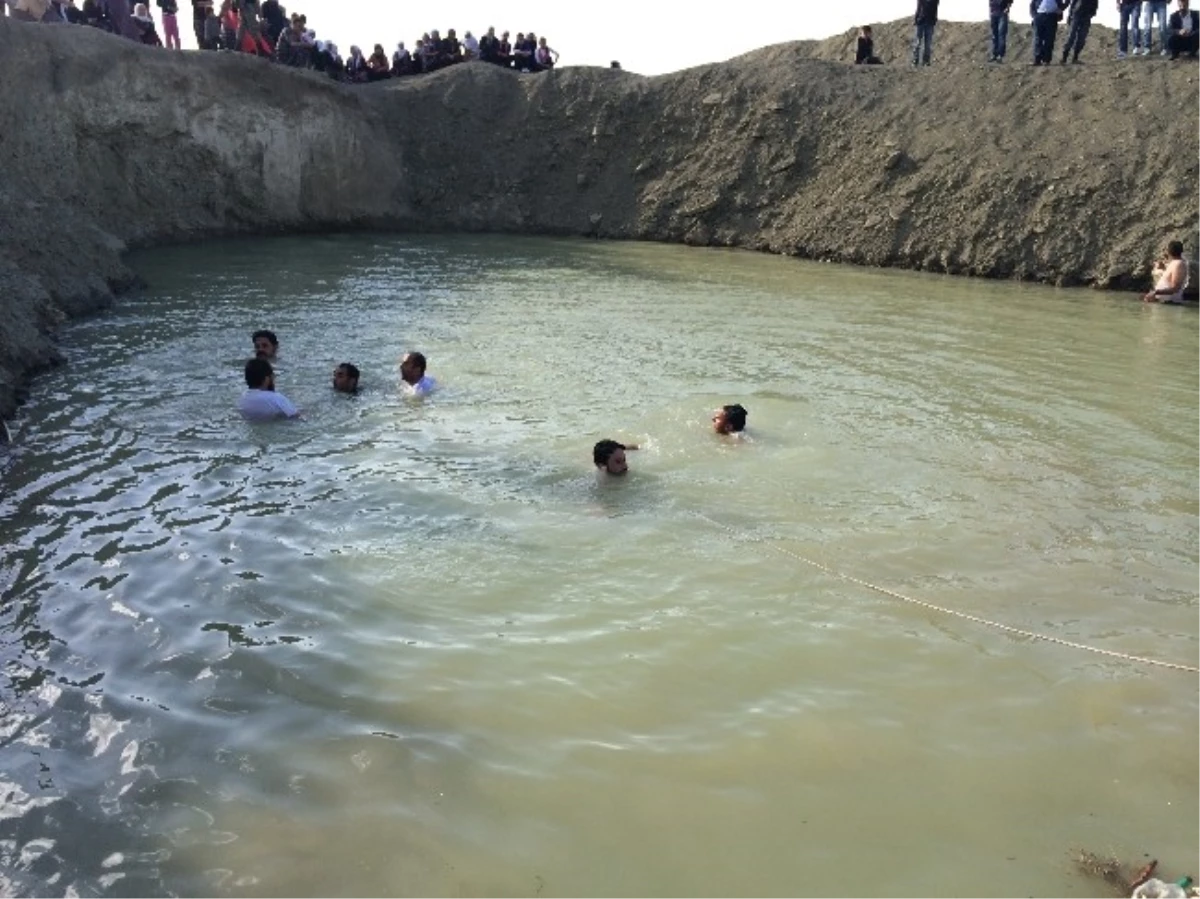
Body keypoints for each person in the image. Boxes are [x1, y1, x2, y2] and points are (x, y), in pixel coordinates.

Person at [1031, 0, 1065, 65]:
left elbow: (1065, 3)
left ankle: (1046, 60)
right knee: (1038, 39)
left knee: (1049, 39)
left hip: (1052, 16)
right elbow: (1032, 5)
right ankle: (1037, 59)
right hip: (1040, 16)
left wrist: (1061, 9)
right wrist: (1034, 16)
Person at [912, 0, 939, 66]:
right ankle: (915, 60)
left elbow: (935, 9)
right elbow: (918, 8)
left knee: (928, 44)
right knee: (918, 42)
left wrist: (934, 20)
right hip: (921, 22)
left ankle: (926, 61)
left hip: (929, 22)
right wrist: (916, 19)